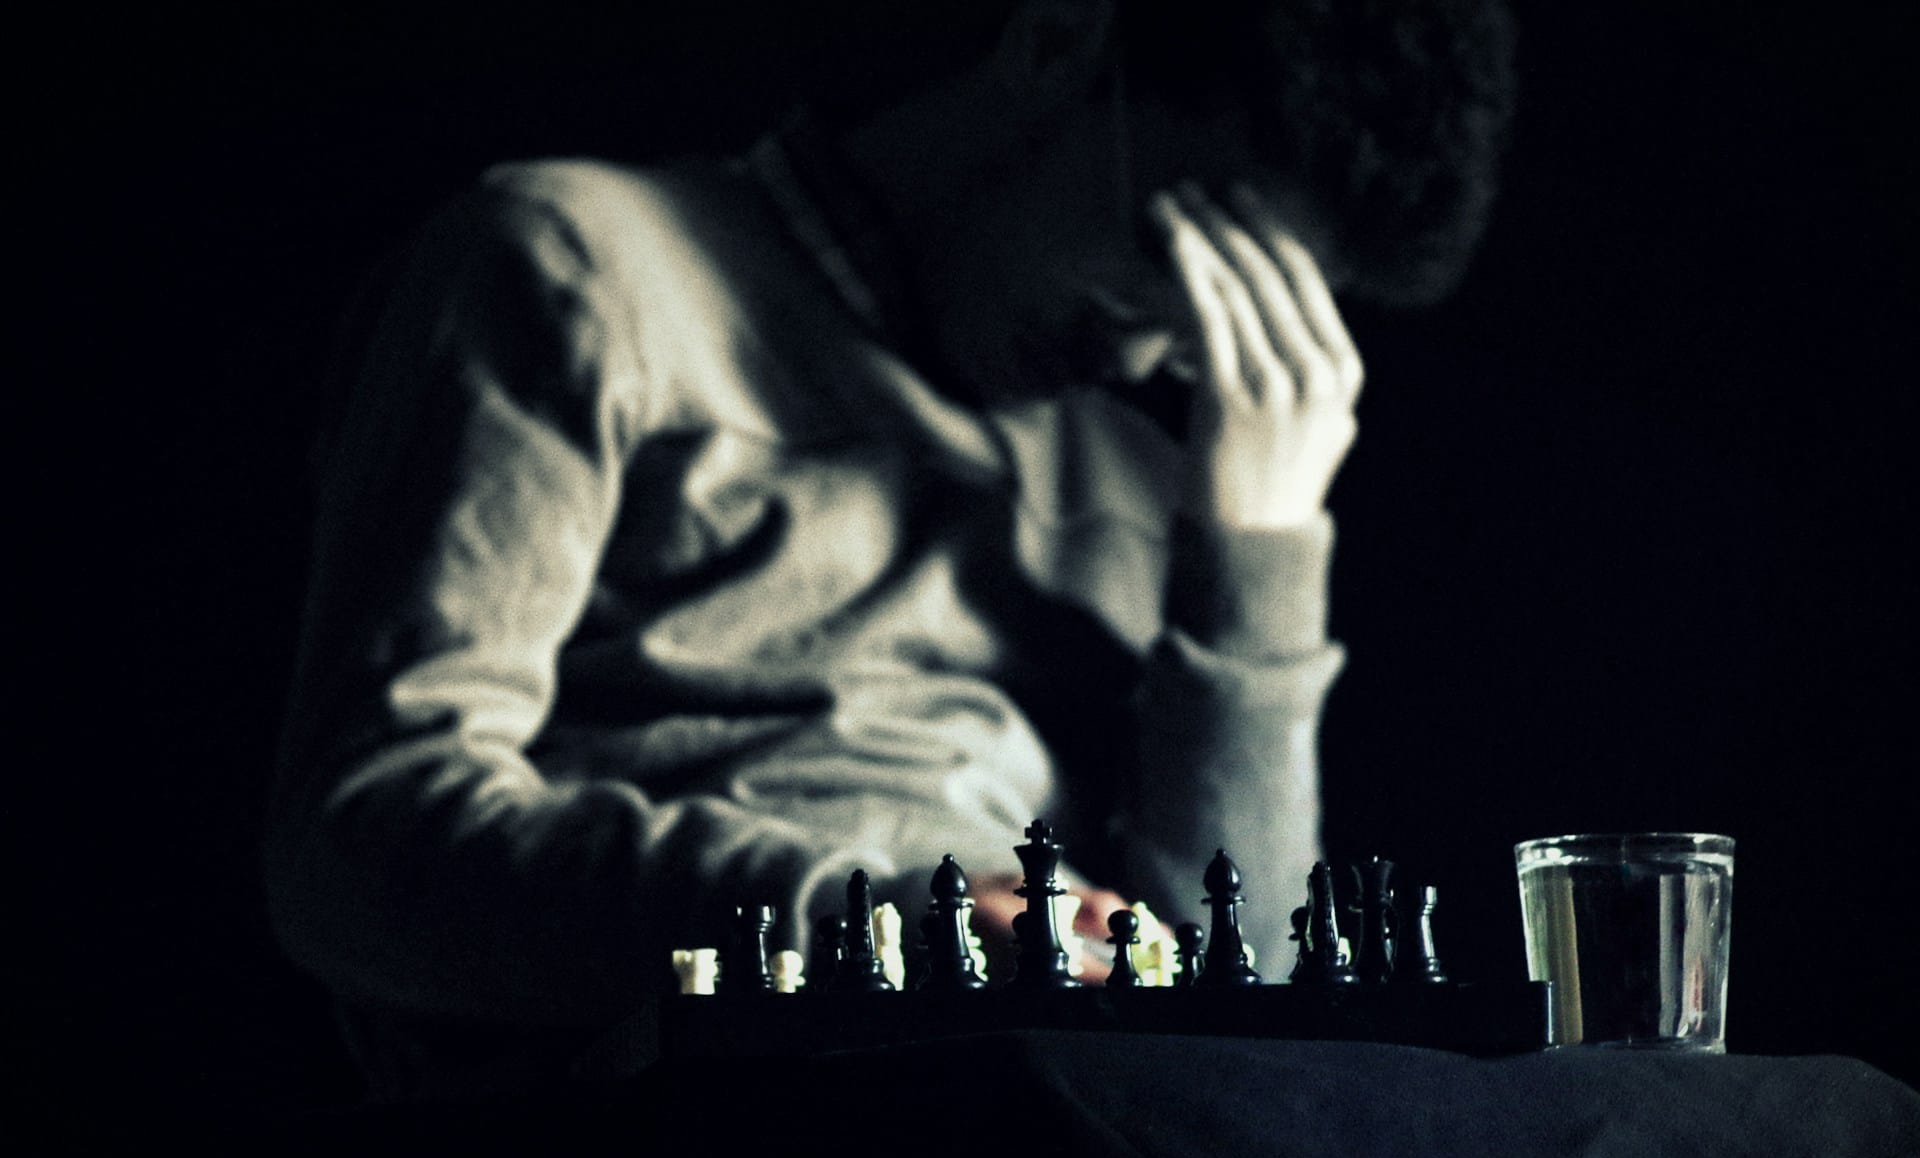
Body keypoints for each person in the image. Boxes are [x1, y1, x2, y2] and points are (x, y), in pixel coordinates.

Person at [264, 0, 1516, 1096]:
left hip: (1036, 1102)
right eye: (1173, 255)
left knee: (1636, 1120)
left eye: (1229, 322)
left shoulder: (1147, 480)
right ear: (1059, 38)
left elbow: (1244, 1029)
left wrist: (1257, 555)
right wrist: (869, 936)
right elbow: (359, 847)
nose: (1147, 357)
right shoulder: (580, 263)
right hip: (701, 1079)